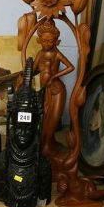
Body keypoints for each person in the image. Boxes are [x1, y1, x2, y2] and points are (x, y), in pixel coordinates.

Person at [33, 19, 74, 160]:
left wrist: (55, 76)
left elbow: (70, 67)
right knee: (43, 119)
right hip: (45, 92)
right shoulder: (40, 54)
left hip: (57, 91)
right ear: (40, 40)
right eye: (44, 41)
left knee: (53, 119)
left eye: (50, 41)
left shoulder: (56, 54)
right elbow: (33, 70)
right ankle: (46, 144)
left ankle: (47, 146)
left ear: (56, 41)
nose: (47, 44)